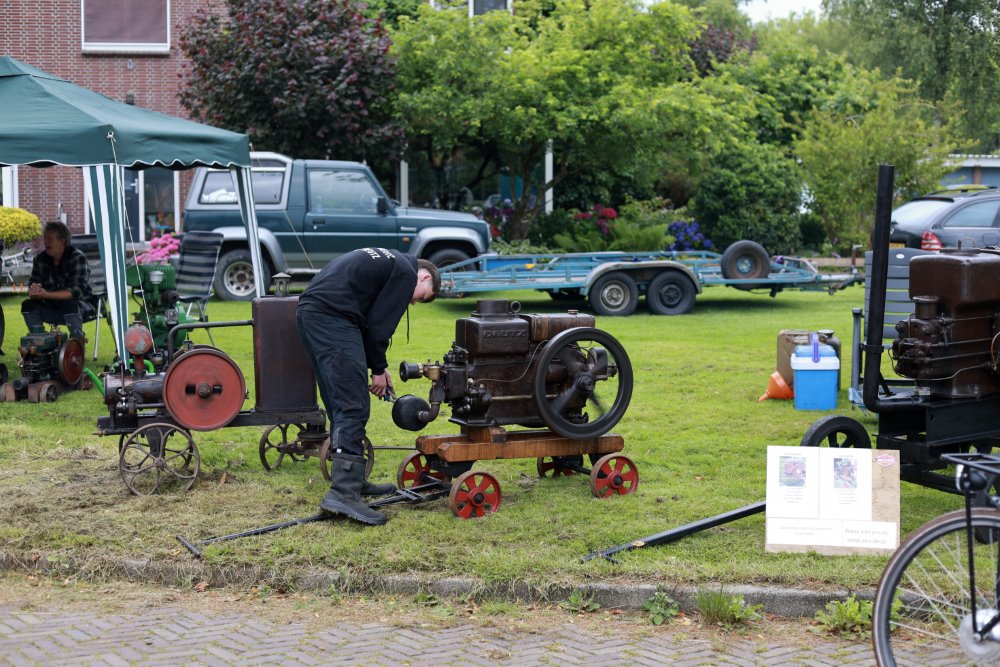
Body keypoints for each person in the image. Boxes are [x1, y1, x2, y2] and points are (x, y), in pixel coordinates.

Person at [297, 248, 440, 526]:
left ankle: (352, 481)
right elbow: (378, 328)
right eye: (421, 297)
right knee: (353, 403)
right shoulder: (406, 272)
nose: (412, 303)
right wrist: (375, 370)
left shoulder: (390, 261)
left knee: (340, 401)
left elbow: (367, 325)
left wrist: (379, 366)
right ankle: (343, 493)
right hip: (333, 317)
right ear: (424, 277)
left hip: (313, 313)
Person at [21, 221, 94, 341]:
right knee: (27, 305)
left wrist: (46, 294)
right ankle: (42, 341)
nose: (46, 242)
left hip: (80, 307)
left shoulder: (77, 258)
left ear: (62, 240)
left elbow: (74, 293)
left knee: (69, 305)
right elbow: (33, 282)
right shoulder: (40, 259)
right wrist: (33, 290)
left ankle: (77, 342)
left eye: (50, 239)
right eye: (45, 238)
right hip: (51, 307)